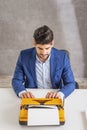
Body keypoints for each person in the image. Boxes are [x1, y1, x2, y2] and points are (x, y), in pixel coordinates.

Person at [12, 25, 75, 99]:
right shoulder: (24, 56)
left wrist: (60, 94)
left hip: (54, 96)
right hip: (32, 96)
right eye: (40, 48)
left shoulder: (62, 57)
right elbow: (16, 80)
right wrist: (22, 92)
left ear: (52, 43)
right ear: (34, 43)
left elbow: (70, 83)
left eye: (47, 48)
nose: (44, 52)